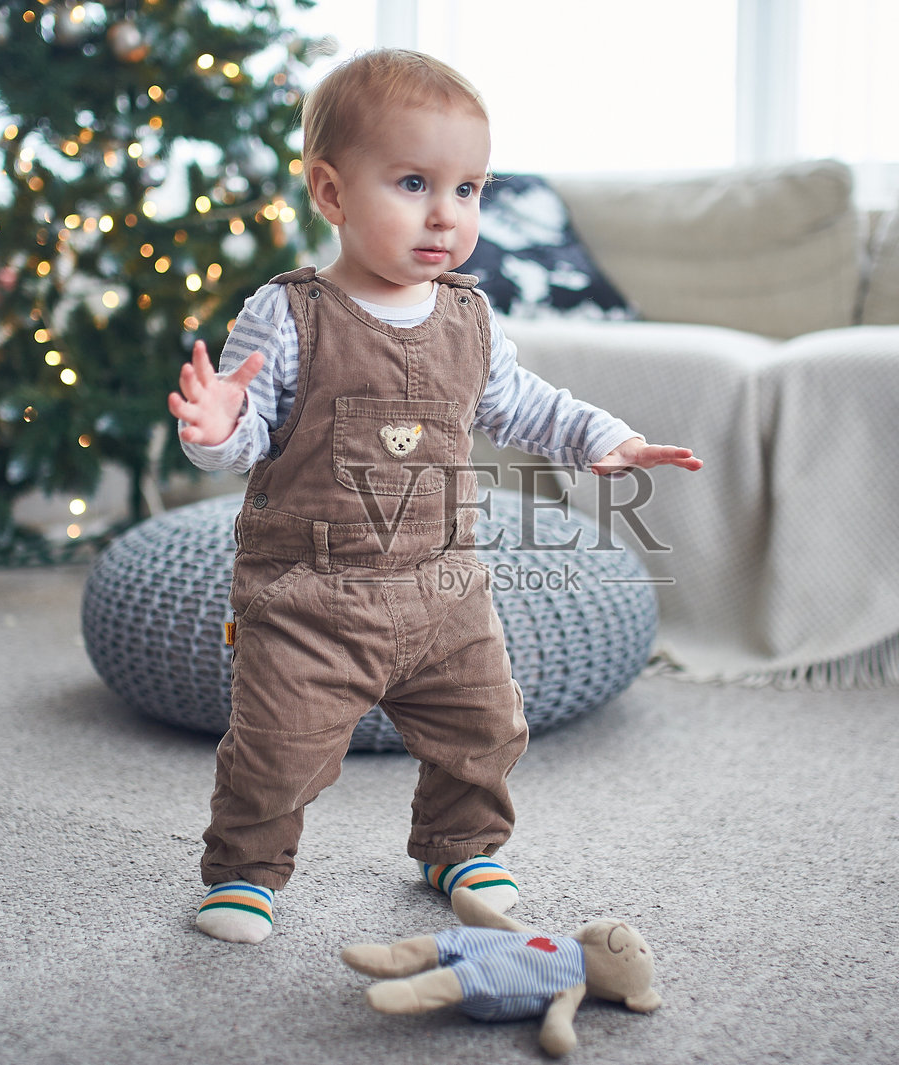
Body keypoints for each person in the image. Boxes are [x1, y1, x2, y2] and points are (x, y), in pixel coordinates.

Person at [167, 48, 702, 944]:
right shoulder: (288, 315)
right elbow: (248, 442)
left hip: (447, 587)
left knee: (486, 727)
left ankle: (458, 843)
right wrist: (219, 424)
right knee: (276, 747)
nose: (446, 215)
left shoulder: (468, 315)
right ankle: (246, 869)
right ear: (331, 193)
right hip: (311, 594)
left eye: (469, 190)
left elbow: (522, 404)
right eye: (415, 182)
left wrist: (602, 437)